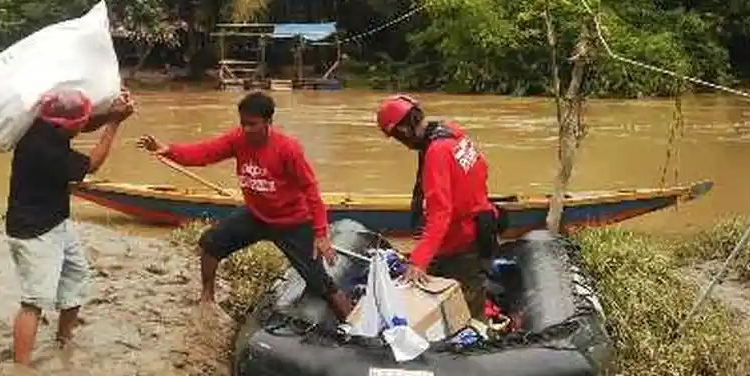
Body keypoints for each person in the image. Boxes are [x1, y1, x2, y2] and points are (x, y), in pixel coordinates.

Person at [137, 91, 354, 322]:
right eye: (243, 124)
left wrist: (321, 234)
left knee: (320, 282)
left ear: (268, 122)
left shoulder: (288, 149)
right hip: (257, 215)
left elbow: (311, 190)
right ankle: (207, 297)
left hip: (292, 221)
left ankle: (355, 327)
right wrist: (170, 151)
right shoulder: (237, 140)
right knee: (210, 243)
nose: (246, 130)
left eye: (252, 124)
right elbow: (205, 153)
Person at [6, 89, 134, 366]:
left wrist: (111, 113)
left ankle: (64, 341)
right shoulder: (46, 150)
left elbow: (84, 123)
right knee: (34, 301)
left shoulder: (44, 125)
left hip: (55, 222)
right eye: (79, 122)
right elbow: (93, 164)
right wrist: (114, 124)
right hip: (34, 231)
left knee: (76, 277)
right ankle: (21, 371)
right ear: (65, 125)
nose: (84, 124)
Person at [375, 93, 502, 319]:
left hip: (461, 240)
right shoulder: (451, 131)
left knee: (467, 311)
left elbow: (440, 214)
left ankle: (474, 344)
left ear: (403, 131)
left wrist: (418, 261)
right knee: (471, 290)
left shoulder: (436, 153)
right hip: (481, 224)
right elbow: (482, 167)